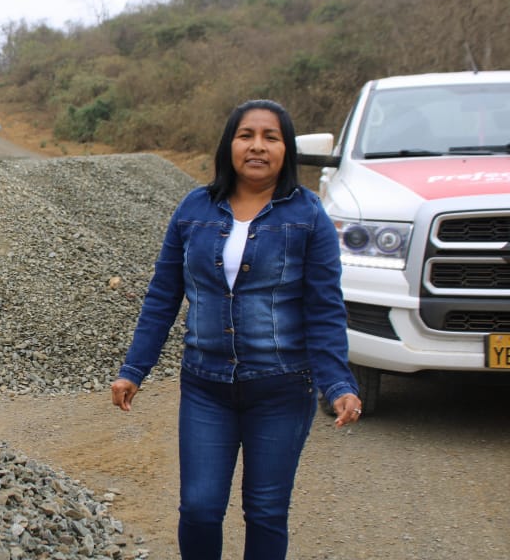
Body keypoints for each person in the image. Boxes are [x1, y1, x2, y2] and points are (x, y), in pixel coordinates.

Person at [110, 99, 362, 560]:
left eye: (271, 137)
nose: (257, 146)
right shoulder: (193, 209)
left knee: (266, 512)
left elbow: (324, 308)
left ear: (286, 150)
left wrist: (338, 383)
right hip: (206, 387)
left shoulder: (309, 215)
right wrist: (134, 369)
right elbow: (163, 296)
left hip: (282, 387)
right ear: (229, 144)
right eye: (246, 135)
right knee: (200, 508)